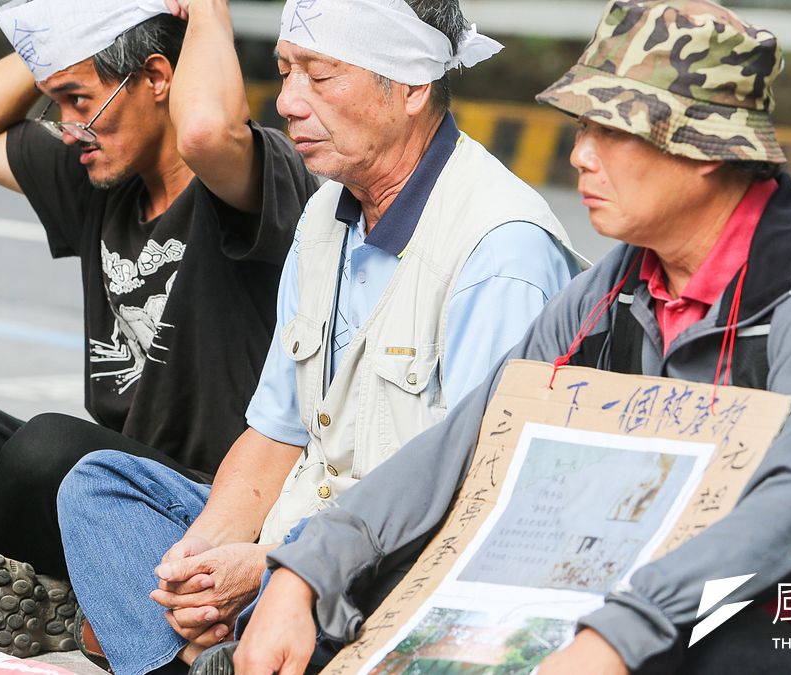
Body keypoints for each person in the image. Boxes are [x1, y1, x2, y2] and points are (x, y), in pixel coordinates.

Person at [231, 1, 791, 674]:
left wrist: (615, 636)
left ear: (705, 149)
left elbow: (783, 517)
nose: (580, 155)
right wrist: (308, 568)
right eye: (582, 126)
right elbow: (468, 445)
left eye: (612, 130)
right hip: (623, 597)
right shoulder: (614, 288)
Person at [55, 0, 588, 672]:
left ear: (414, 86)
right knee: (97, 485)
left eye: (320, 75)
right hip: (294, 534)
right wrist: (198, 564)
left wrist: (286, 566)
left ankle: (181, 648)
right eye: (284, 72)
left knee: (337, 604)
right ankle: (203, 644)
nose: (288, 103)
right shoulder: (322, 218)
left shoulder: (499, 252)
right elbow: (276, 433)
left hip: (396, 558)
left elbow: (473, 501)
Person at [0, 0, 316, 655]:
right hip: (96, 484)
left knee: (49, 450)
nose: (66, 127)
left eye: (77, 99)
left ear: (156, 78)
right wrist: (82, 23)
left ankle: (36, 603)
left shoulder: (252, 182)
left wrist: (205, 9)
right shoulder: (98, 179)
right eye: (54, 101)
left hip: (196, 496)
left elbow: (205, 130)